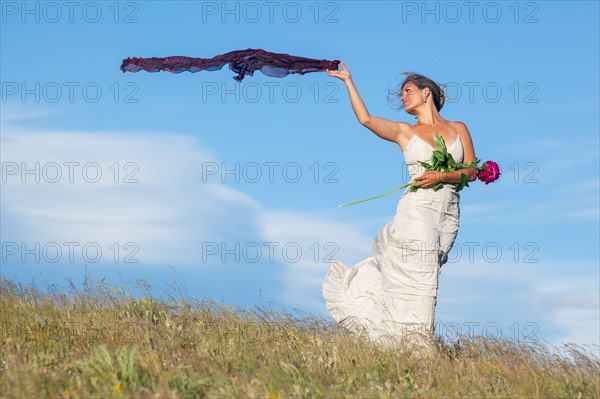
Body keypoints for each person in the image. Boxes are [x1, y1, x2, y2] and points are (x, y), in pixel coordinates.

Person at [323, 61, 477, 352]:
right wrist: (348, 81)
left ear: (426, 93)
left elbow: (470, 171)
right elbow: (366, 119)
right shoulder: (406, 132)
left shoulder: (459, 128)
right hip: (416, 212)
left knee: (430, 273)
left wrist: (442, 175)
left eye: (408, 91)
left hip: (448, 216)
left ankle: (397, 343)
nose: (402, 97)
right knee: (422, 281)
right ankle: (419, 350)